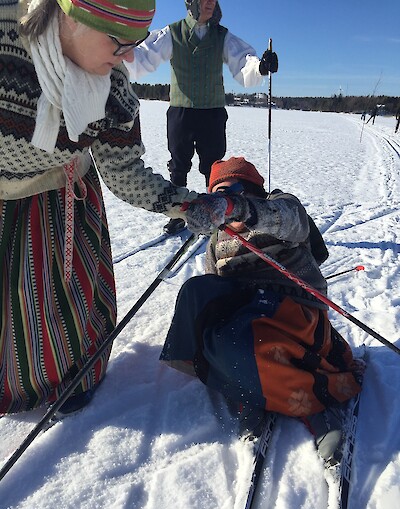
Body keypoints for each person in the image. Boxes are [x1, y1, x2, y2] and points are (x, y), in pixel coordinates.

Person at [0, 0, 228, 415]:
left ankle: (72, 375)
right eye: (118, 42)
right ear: (70, 17)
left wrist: (185, 204)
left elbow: (123, 170)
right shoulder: (6, 39)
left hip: (60, 203)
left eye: (135, 43)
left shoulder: (113, 89)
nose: (128, 56)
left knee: (57, 304)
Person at [160, 157, 363, 464]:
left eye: (233, 191)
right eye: (217, 195)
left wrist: (237, 208)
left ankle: (314, 405)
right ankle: (246, 386)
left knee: (250, 331)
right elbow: (215, 287)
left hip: (293, 310)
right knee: (199, 295)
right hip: (248, 316)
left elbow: (294, 220)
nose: (224, 202)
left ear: (253, 191)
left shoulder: (278, 207)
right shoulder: (219, 238)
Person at [126, 0, 278, 235]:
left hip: (212, 113)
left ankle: (215, 213)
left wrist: (260, 67)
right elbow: (144, 56)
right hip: (181, 111)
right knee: (178, 166)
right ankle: (178, 214)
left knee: (213, 167)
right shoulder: (172, 33)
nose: (210, 3)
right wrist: (121, 47)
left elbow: (243, 61)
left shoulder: (222, 36)